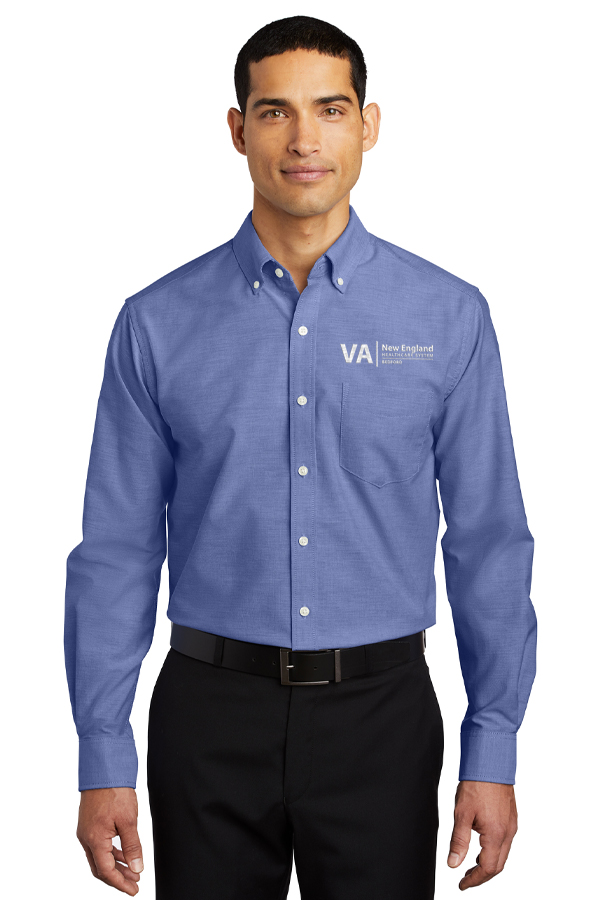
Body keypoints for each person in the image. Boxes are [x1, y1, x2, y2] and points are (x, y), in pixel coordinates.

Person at [64, 14, 537, 899]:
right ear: (238, 130)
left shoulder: (449, 317)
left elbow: (489, 541)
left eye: (330, 109)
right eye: (275, 112)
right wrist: (102, 756)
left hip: (383, 717)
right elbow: (117, 552)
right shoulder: (156, 323)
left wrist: (493, 747)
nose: (304, 140)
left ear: (369, 126)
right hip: (208, 715)